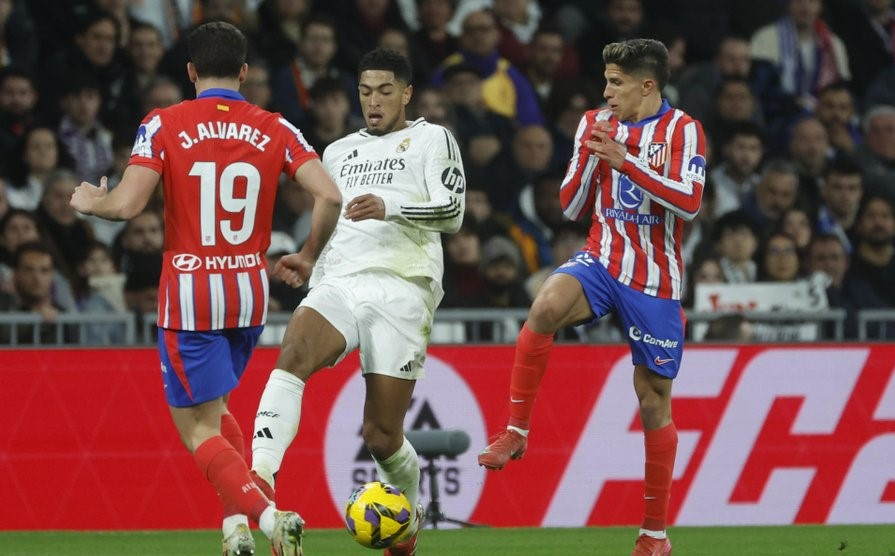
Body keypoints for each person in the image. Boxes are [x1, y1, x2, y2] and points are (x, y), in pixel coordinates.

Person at [68, 21, 342, 556]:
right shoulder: (277, 126)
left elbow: (125, 205)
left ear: (191, 71)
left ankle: (268, 517)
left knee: (195, 428)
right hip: (249, 291)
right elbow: (328, 194)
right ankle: (234, 532)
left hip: (191, 293)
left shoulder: (164, 122)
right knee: (216, 416)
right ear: (244, 71)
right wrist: (308, 256)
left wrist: (89, 202)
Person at [477, 39, 705, 556]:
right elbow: (571, 205)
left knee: (652, 399)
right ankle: (515, 429)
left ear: (647, 85)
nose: (606, 91)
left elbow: (689, 204)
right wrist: (590, 156)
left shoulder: (683, 130)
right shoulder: (593, 122)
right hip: (603, 257)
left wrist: (626, 163)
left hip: (655, 280)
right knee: (545, 305)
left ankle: (653, 535)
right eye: (605, 80)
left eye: (616, 82)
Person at [250, 48, 465, 556]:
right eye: (366, 91)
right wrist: (309, 261)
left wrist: (391, 205)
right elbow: (330, 219)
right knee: (294, 351)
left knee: (382, 435)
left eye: (385, 90)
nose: (374, 101)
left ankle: (407, 527)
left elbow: (453, 211)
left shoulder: (432, 138)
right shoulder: (338, 151)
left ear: (407, 93)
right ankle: (260, 484)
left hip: (403, 285)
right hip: (341, 279)